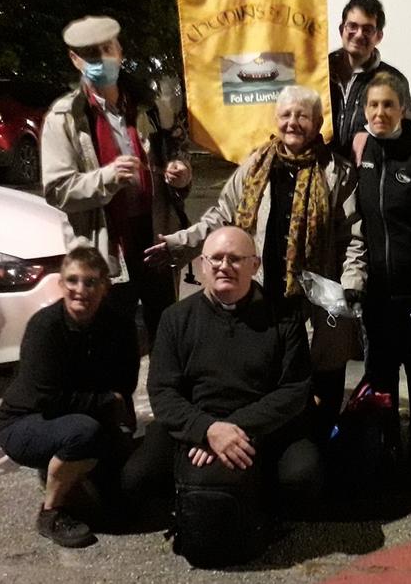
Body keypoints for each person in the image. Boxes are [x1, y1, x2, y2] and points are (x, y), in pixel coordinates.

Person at [145, 85, 366, 439]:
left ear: (318, 123)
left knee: (323, 390)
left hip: (317, 304)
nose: (293, 122)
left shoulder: (336, 173)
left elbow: (353, 239)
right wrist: (180, 244)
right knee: (271, 393)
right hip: (263, 305)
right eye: (286, 115)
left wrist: (350, 292)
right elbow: (220, 218)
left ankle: (316, 465)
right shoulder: (255, 166)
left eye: (302, 115)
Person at [133, 226, 321, 556]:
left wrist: (237, 430)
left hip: (263, 425)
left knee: (302, 475)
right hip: (198, 421)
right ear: (202, 265)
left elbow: (294, 390)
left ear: (255, 264)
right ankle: (191, 504)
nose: (224, 266)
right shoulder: (175, 318)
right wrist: (205, 430)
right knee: (136, 479)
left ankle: (258, 508)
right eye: (215, 258)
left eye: (235, 259)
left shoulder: (284, 316)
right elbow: (162, 391)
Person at [41, 15, 191, 346]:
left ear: (120, 51)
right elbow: (57, 190)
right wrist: (107, 177)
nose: (102, 61)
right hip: (106, 249)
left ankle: (163, 395)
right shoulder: (65, 118)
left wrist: (180, 175)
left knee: (167, 337)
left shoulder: (148, 108)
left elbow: (177, 155)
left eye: (107, 49)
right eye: (91, 55)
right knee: (110, 344)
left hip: (155, 239)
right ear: (75, 60)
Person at [0, 246, 139, 548]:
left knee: (124, 497)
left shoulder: (121, 327)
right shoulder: (45, 327)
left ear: (105, 287)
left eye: (90, 282)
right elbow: (49, 398)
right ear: (61, 285)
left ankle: (69, 468)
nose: (80, 290)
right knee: (84, 434)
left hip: (84, 414)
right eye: (72, 281)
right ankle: (51, 512)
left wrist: (116, 417)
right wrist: (105, 402)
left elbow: (125, 385)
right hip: (26, 420)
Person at [355, 71, 411, 474]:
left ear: (403, 108)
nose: (379, 112)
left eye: (388, 105)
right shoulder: (363, 152)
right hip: (377, 293)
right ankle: (388, 440)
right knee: (382, 373)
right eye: (373, 105)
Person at [329, 0, 411, 155]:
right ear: (341, 29)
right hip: (321, 176)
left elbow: (406, 138)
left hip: (368, 176)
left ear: (379, 36)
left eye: (367, 29)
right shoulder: (319, 73)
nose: (359, 34)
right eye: (352, 26)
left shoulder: (394, 81)